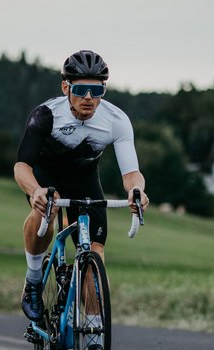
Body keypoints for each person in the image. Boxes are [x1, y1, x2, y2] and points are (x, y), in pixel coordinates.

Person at [14, 50, 149, 348]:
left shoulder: (116, 120)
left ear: (104, 89)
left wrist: (136, 191)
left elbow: (132, 174)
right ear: (66, 88)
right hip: (46, 177)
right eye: (79, 89)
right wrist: (35, 190)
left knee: (94, 255)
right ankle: (34, 279)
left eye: (97, 89)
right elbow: (21, 165)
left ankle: (94, 333)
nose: (88, 97)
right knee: (45, 214)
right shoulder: (46, 115)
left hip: (84, 180)